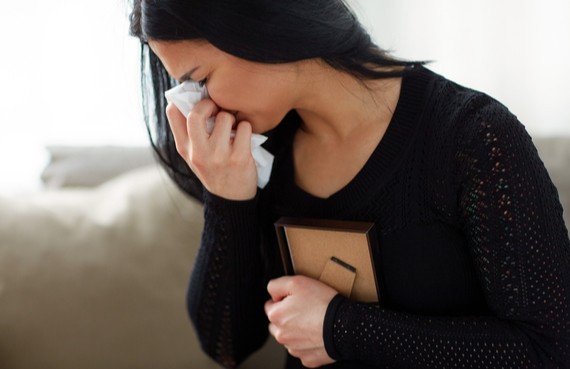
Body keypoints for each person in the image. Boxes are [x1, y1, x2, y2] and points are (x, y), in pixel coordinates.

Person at [128, 1, 570, 368]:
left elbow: (548, 350)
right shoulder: (262, 154)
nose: (199, 107)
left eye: (200, 80)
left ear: (257, 26)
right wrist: (227, 197)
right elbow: (226, 344)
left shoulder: (472, 137)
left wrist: (339, 329)